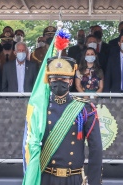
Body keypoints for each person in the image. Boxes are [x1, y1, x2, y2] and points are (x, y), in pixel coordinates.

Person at [40, 55, 103, 185]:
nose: (59, 82)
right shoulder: (40, 109)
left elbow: (95, 148)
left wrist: (94, 181)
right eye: (55, 78)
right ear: (49, 81)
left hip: (73, 179)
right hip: (45, 177)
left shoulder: (85, 109)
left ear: (70, 81)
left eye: (63, 79)